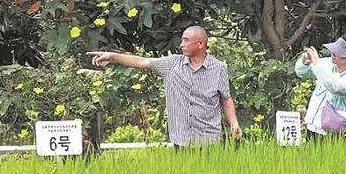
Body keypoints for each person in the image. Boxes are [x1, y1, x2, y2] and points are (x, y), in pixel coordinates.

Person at [87, 25, 242, 147]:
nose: (181, 44)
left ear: (200, 44)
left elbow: (226, 99)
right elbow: (143, 62)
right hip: (181, 140)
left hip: (210, 139)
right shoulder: (172, 64)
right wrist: (113, 57)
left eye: (186, 40)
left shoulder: (219, 68)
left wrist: (234, 124)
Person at [295, 34, 346, 139]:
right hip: (313, 128)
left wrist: (316, 64)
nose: (333, 54)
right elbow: (301, 73)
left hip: (336, 134)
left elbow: (335, 87)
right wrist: (305, 60)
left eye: (338, 52)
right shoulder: (327, 64)